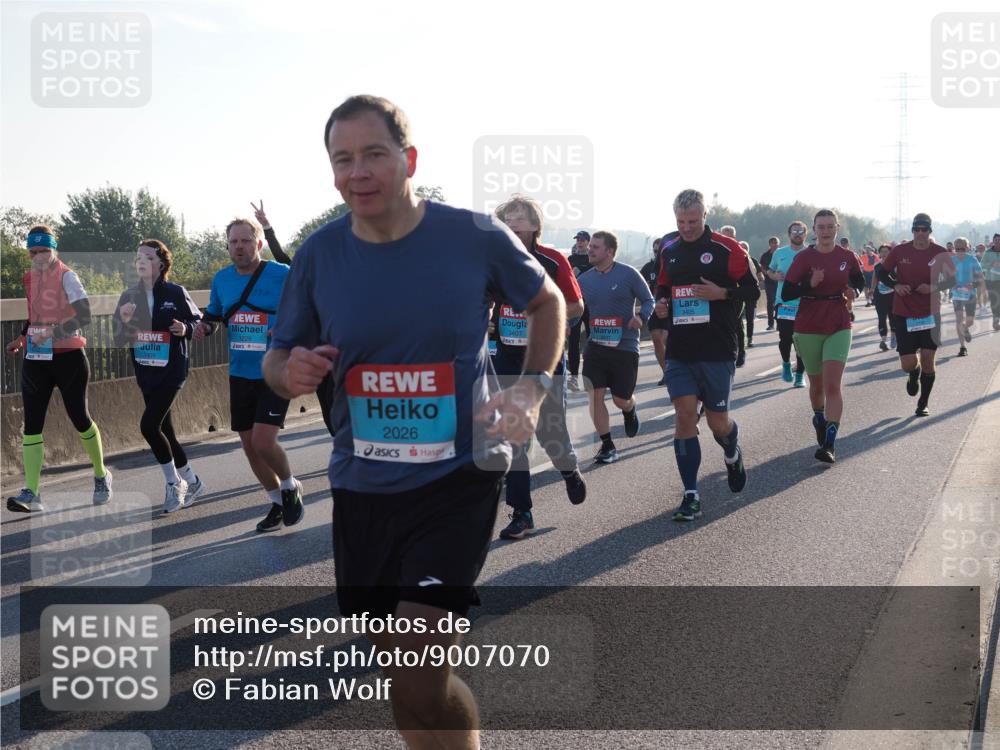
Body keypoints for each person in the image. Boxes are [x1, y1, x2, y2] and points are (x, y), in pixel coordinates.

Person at [263, 94, 565, 750]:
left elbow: (548, 302)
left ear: (409, 161)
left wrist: (532, 390)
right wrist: (292, 374)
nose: (358, 171)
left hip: (459, 475)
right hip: (363, 484)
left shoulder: (474, 236)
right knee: (403, 675)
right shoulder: (318, 256)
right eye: (343, 159)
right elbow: (277, 357)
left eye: (374, 154)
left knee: (419, 662)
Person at [193, 217, 304, 532]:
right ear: (227, 246)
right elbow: (215, 313)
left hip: (276, 368)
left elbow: (305, 307)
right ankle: (278, 502)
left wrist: (283, 327)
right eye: (233, 242)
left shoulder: (281, 274)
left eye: (245, 241)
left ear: (258, 244)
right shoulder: (222, 279)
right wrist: (205, 326)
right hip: (240, 370)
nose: (239, 247)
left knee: (264, 440)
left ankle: (289, 485)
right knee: (248, 444)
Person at [653, 189, 755, 522]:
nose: (686, 227)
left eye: (693, 221)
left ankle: (731, 451)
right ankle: (690, 495)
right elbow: (664, 288)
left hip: (717, 348)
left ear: (705, 216)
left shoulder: (728, 250)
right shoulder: (669, 250)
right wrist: (662, 305)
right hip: (681, 349)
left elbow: (753, 291)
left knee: (717, 423)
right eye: (681, 222)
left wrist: (721, 293)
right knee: (684, 416)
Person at [491, 195, 587, 541]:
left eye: (519, 218)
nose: (513, 223)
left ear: (535, 225)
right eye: (507, 218)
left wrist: (543, 316)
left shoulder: (553, 260)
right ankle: (522, 511)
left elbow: (576, 306)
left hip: (545, 356)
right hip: (507, 357)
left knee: (551, 432)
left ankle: (569, 469)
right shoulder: (494, 261)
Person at [5, 226, 112, 512]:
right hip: (36, 358)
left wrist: (52, 332)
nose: (39, 257)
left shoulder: (67, 276)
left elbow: (85, 315)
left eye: (44, 251)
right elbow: (34, 315)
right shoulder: (29, 278)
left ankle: (101, 475)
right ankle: (32, 492)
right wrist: (22, 336)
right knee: (32, 423)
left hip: (68, 357)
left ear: (54, 250)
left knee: (79, 417)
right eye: (33, 252)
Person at [112, 240, 205, 512]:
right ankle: (193, 480)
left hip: (173, 370)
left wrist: (185, 328)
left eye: (148, 257)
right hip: (146, 371)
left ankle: (174, 483)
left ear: (161, 264)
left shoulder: (175, 292)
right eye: (138, 257)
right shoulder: (128, 296)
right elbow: (118, 338)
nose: (141, 261)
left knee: (149, 426)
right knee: (167, 431)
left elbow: (199, 321)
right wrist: (125, 322)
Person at [779, 210, 866, 463]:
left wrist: (855, 292)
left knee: (832, 386)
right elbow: (786, 293)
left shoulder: (847, 256)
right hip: (808, 325)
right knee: (816, 386)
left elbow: (859, 281)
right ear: (814, 230)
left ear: (837, 228)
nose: (826, 231)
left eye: (830, 227)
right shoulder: (804, 258)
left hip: (838, 322)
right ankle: (819, 417)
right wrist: (810, 284)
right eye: (821, 227)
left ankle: (829, 443)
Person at [251, 200, 336, 438]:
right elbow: (281, 256)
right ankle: (341, 444)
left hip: (345, 352)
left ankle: (352, 450)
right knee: (327, 406)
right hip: (318, 352)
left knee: (341, 403)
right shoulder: (306, 276)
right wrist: (267, 227)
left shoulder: (346, 278)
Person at [577, 230, 655, 464]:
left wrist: (641, 318)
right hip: (596, 347)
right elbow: (574, 309)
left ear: (609, 251)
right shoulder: (584, 280)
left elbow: (649, 300)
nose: (590, 250)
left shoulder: (628, 274)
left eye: (595, 247)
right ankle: (607, 445)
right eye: (590, 246)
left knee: (620, 399)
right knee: (594, 395)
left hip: (625, 346)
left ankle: (629, 409)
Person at [877, 213, 956, 417]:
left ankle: (923, 403)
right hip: (904, 312)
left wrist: (932, 287)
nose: (920, 233)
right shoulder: (900, 251)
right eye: (917, 229)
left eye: (925, 230)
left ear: (930, 231)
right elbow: (881, 272)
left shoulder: (940, 252)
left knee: (929, 358)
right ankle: (913, 374)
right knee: (908, 363)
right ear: (912, 230)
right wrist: (896, 284)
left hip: (930, 312)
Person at [767, 221, 809, 387]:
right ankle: (786, 364)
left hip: (805, 303)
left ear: (805, 234)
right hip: (783, 302)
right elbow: (770, 270)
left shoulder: (810, 253)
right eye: (794, 231)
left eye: (800, 231)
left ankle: (799, 375)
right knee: (785, 338)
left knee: (802, 340)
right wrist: (775, 276)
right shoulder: (779, 253)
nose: (797, 234)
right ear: (789, 234)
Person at [950, 237, 987, 357]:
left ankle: (966, 328)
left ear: (967, 248)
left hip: (970, 294)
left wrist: (973, 284)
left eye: (962, 248)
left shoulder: (972, 259)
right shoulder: (951, 260)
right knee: (959, 319)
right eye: (957, 249)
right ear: (955, 249)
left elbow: (981, 277)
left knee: (970, 320)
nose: (960, 251)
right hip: (957, 295)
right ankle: (962, 347)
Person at [641, 237, 670, 385]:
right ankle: (666, 372)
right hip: (654, 307)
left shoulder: (672, 263)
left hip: (670, 308)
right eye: (655, 250)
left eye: (660, 251)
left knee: (666, 338)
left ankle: (675, 369)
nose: (657, 253)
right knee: (656, 339)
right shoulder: (648, 268)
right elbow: (640, 288)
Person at [566, 230, 592, 391]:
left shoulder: (593, 258)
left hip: (590, 304)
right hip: (575, 304)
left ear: (588, 242)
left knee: (593, 340)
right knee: (573, 342)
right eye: (578, 240)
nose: (580, 242)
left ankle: (593, 376)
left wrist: (581, 273)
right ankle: (574, 378)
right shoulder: (570, 259)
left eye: (582, 240)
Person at [870, 244, 898, 351]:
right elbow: (874, 278)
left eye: (886, 251)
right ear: (879, 253)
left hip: (893, 294)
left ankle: (893, 337)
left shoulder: (895, 265)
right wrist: (872, 289)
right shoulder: (877, 266)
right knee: (881, 318)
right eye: (882, 251)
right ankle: (883, 340)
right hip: (880, 296)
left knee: (893, 317)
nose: (884, 253)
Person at [759, 236, 779, 329]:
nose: (774, 244)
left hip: (780, 281)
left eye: (776, 243)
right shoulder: (765, 255)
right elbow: (761, 267)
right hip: (769, 281)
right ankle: (770, 324)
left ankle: (780, 322)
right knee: (770, 302)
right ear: (770, 244)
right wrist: (767, 273)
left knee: (779, 302)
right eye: (772, 243)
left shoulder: (781, 253)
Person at [982, 233, 1000, 331]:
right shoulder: (988, 252)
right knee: (994, 299)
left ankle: (998, 316)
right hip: (991, 280)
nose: (998, 241)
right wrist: (992, 264)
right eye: (996, 240)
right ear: (993, 241)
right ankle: (995, 318)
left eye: (999, 240)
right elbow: (982, 265)